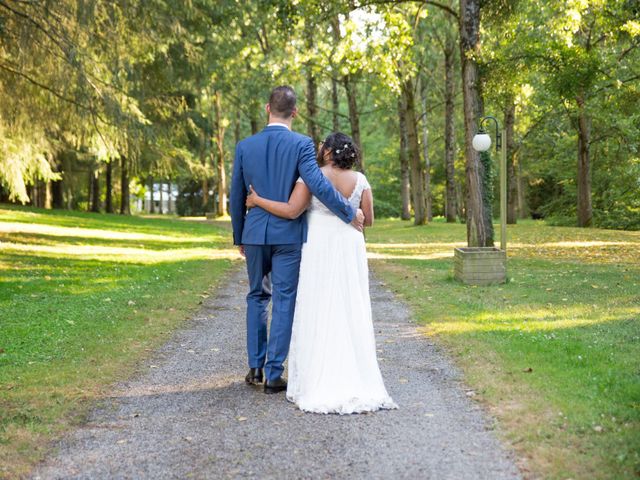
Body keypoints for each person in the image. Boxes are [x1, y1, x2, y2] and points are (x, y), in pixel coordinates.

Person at [246, 132, 397, 414]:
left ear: (328, 151)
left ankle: (316, 376)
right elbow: (370, 220)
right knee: (350, 306)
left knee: (317, 305)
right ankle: (353, 372)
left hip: (319, 243)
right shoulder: (360, 179)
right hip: (350, 244)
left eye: (321, 146)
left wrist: (257, 201)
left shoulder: (312, 175)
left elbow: (292, 210)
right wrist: (355, 213)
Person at [229, 86, 365, 394]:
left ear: (267, 108)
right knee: (284, 299)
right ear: (295, 112)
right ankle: (274, 374)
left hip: (254, 234)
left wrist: (240, 234)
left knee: (256, 296)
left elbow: (236, 194)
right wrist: (348, 211)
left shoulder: (244, 146)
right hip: (288, 236)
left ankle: (255, 366)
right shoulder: (301, 143)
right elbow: (317, 183)